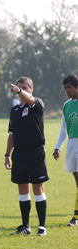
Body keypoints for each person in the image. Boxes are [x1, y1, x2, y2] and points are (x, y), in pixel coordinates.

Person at [5, 77, 49, 236]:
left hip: (35, 152)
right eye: (19, 88)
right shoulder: (14, 111)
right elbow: (11, 135)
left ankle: (42, 226)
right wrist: (7, 155)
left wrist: (18, 90)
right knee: (22, 189)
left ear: (31, 89)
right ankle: (25, 226)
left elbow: (29, 100)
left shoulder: (36, 103)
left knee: (38, 188)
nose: (20, 90)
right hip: (19, 154)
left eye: (24, 87)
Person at [53, 74, 78, 227]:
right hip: (71, 145)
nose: (67, 90)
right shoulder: (66, 105)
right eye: (65, 88)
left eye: (69, 87)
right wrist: (58, 147)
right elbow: (64, 129)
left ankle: (76, 217)